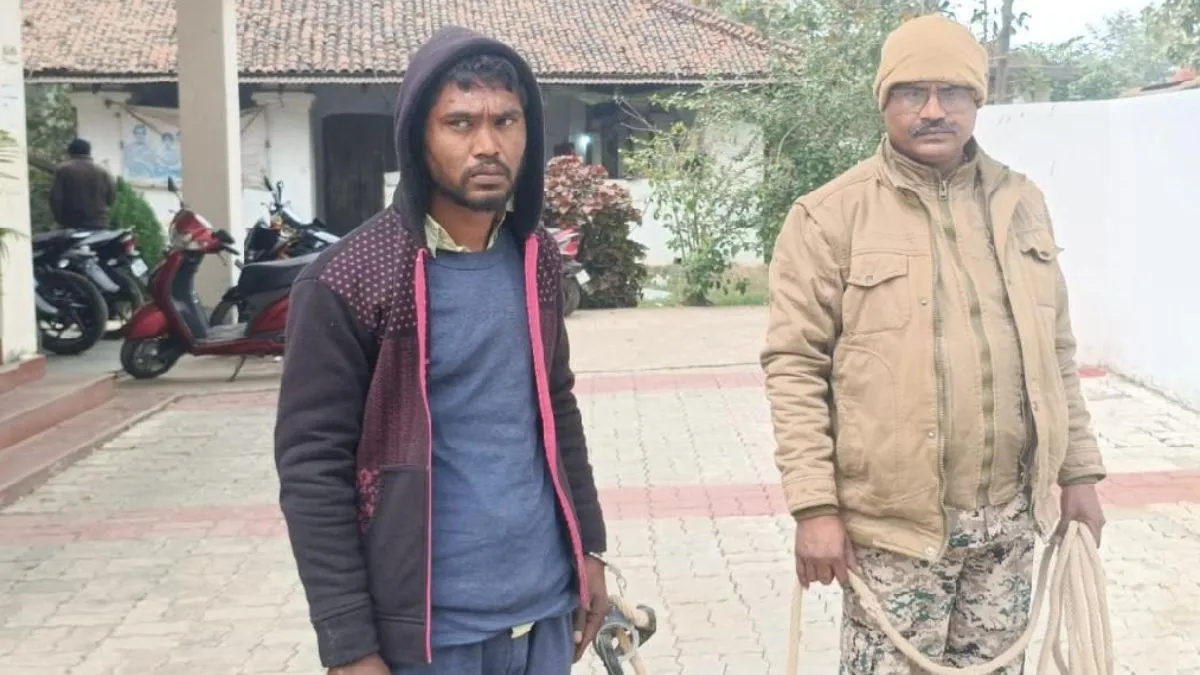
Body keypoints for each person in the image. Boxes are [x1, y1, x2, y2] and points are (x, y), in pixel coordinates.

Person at [761, 14, 1107, 673]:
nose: (932, 110)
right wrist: (814, 507)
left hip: (1008, 529)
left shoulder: (1022, 203)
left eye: (951, 91)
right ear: (883, 101)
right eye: (911, 92)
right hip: (894, 538)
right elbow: (794, 367)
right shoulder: (829, 216)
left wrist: (1080, 474)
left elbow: (1056, 352)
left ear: (977, 99)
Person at [274, 26, 609, 675]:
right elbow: (312, 466)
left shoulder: (535, 259)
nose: (487, 144)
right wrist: (348, 644)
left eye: (504, 120)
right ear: (417, 137)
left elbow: (556, 406)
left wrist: (589, 548)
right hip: (429, 635)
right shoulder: (350, 280)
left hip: (544, 614)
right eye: (459, 122)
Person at [49, 138, 116, 230]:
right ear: (89, 152)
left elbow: (56, 199)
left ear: (70, 152)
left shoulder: (63, 170)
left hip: (71, 224)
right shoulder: (102, 171)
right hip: (99, 224)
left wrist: (59, 220)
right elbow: (111, 198)